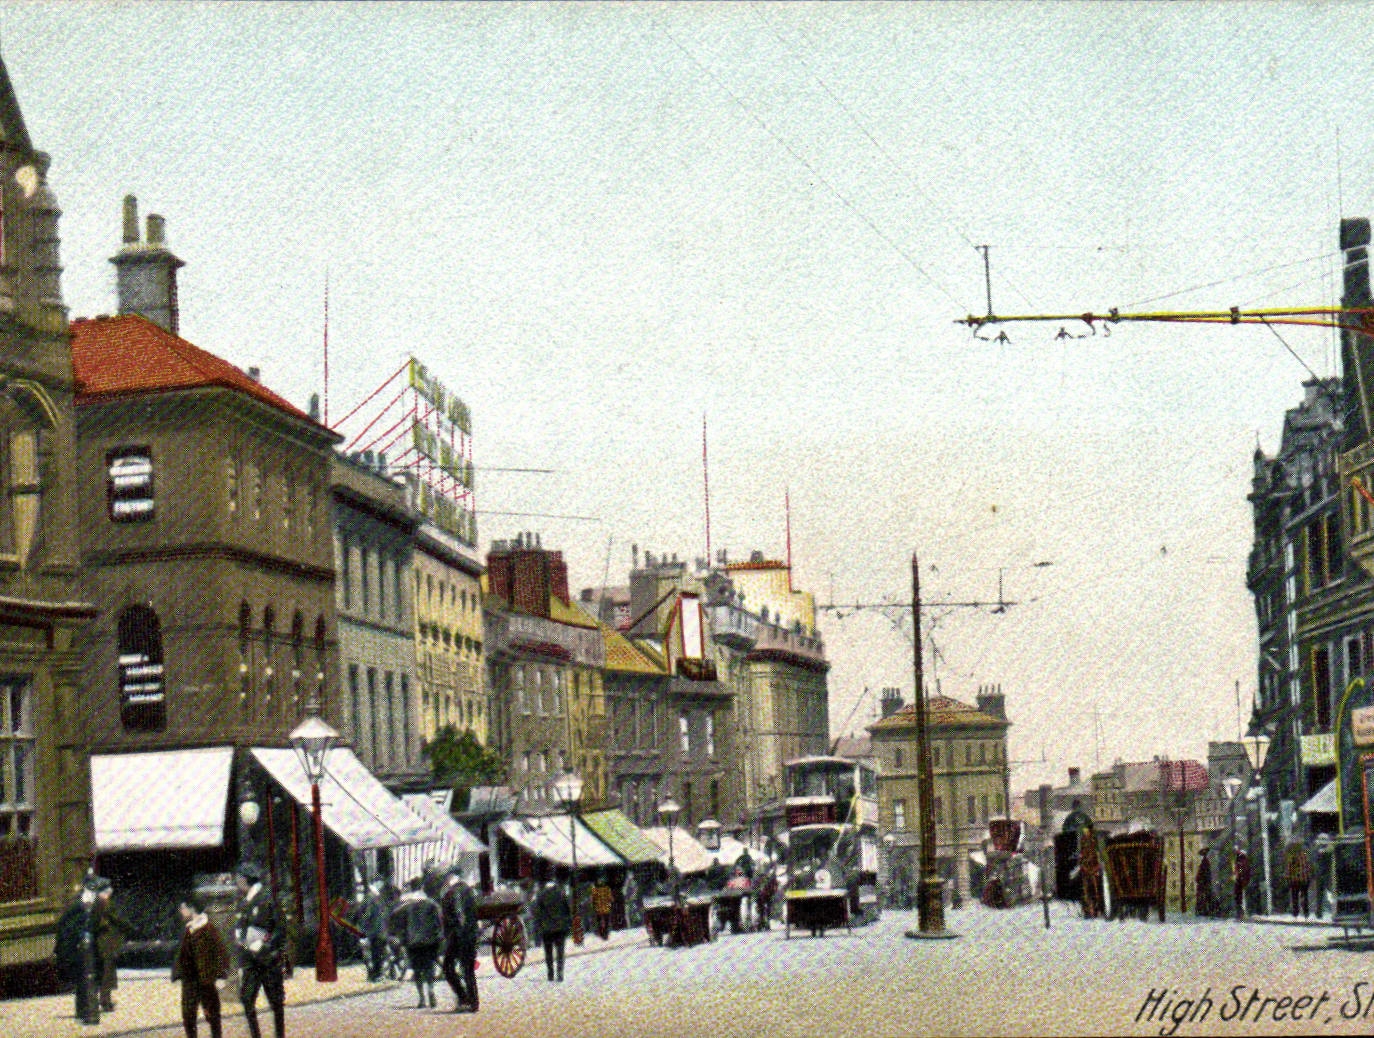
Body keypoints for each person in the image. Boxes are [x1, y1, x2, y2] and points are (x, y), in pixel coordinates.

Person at [234, 862, 286, 1038]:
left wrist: (265, 944)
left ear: (245, 879)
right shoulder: (244, 902)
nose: (237, 882)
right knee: (247, 999)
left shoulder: (267, 899)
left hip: (267, 959)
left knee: (276, 1002)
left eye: (238, 878)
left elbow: (280, 929)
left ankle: (280, 1035)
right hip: (250, 960)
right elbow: (240, 926)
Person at [172, 893, 231, 1038]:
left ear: (191, 908)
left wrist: (221, 976)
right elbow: (181, 954)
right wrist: (177, 973)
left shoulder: (208, 928)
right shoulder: (187, 929)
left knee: (212, 1015)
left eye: (183, 908)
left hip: (207, 979)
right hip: (190, 980)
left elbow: (221, 952)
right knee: (188, 1016)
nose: (181, 911)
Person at [55, 877, 101, 1025]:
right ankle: (87, 1012)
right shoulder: (78, 908)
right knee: (85, 980)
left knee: (85, 981)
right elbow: (69, 931)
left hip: (81, 950)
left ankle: (84, 1011)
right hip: (79, 951)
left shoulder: (81, 907)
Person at [391, 877, 443, 1009]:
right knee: (430, 967)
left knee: (417, 969)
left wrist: (401, 933)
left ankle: (421, 998)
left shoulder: (406, 905)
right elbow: (439, 919)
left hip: (413, 940)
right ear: (422, 888)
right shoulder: (430, 903)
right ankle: (431, 990)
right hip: (429, 940)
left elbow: (395, 915)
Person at [439, 869, 479, 1013]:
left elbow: (458, 915)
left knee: (448, 968)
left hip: (458, 936)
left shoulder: (452, 893)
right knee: (468, 969)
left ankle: (464, 997)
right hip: (470, 934)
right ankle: (473, 1002)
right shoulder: (469, 891)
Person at [92, 877, 132, 1012]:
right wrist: (130, 928)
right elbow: (118, 919)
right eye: (109, 887)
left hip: (102, 943)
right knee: (107, 974)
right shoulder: (104, 903)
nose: (111, 890)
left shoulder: (96, 903)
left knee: (105, 973)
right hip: (106, 943)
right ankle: (105, 1001)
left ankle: (104, 1000)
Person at [533, 875, 572, 982]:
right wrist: (569, 924)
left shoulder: (541, 895)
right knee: (560, 952)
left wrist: (538, 929)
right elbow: (567, 909)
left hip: (547, 928)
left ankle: (550, 973)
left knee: (548, 952)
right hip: (560, 927)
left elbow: (537, 913)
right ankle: (560, 973)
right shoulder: (561, 893)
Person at [355, 879, 389, 983]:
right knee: (377, 953)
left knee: (374, 953)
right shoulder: (378, 900)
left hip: (374, 931)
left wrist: (362, 926)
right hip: (379, 930)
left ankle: (374, 974)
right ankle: (377, 974)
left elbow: (365, 915)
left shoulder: (371, 900)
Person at [1078, 824, 1104, 920]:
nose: (1085, 833)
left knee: (1096, 892)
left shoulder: (1095, 845)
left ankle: (1096, 910)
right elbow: (1081, 859)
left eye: (1087, 831)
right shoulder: (1083, 844)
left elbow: (1099, 860)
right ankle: (1088, 912)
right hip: (1086, 873)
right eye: (1084, 831)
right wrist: (1084, 868)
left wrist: (1095, 870)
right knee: (1085, 893)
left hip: (1094, 872)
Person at [1285, 839, 1312, 918]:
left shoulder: (1292, 856)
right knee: (1304, 895)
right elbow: (1308, 866)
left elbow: (1289, 868)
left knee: (1295, 896)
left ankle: (1295, 912)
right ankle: (1306, 911)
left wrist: (1287, 876)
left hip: (1295, 879)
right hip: (1304, 879)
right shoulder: (1304, 855)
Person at [1194, 848, 1218, 917]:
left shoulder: (1205, 862)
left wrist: (1199, 879)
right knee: (1205, 897)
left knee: (1204, 897)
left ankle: (1203, 912)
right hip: (1204, 883)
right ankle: (1204, 911)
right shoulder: (1205, 862)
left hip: (1203, 884)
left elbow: (1204, 874)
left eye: (1202, 854)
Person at [590, 873, 614, 940]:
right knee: (605, 922)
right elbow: (611, 898)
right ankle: (604, 934)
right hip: (604, 908)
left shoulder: (596, 889)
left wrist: (593, 905)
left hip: (600, 908)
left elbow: (593, 899)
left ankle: (602, 933)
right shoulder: (606, 888)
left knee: (600, 922)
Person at [1234, 848, 1252, 920]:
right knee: (1241, 898)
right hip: (1242, 882)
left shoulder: (1241, 863)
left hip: (1241, 882)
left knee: (1240, 898)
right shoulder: (1244, 863)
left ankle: (1242, 913)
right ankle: (1242, 913)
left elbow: (1241, 872)